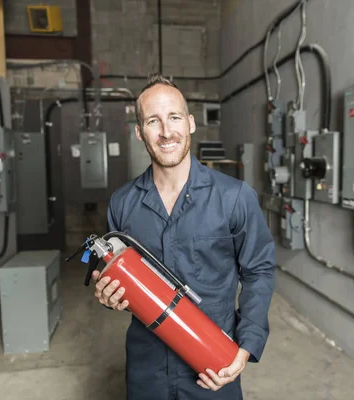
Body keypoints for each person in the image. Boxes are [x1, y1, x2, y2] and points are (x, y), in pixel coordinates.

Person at [90, 73, 276, 400]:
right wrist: (108, 296)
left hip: (213, 361)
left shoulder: (234, 197)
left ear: (190, 123)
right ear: (139, 132)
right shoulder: (122, 203)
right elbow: (112, 273)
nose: (165, 132)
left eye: (174, 117)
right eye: (152, 121)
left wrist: (245, 347)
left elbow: (258, 270)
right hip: (147, 370)